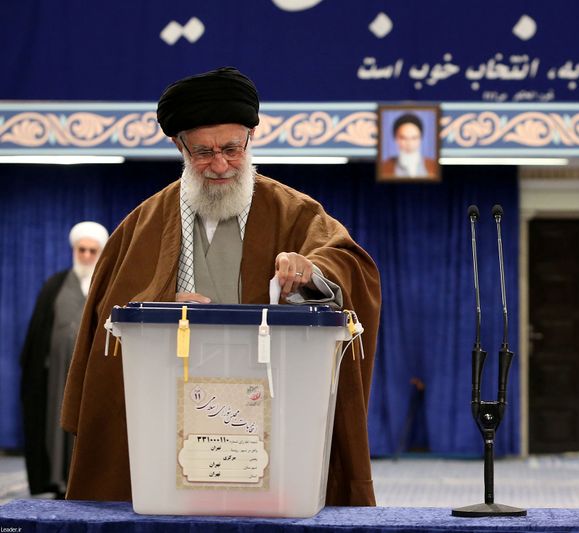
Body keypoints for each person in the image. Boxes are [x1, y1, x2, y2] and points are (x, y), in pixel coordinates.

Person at [61, 67, 382, 506]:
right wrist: (158, 307)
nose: (219, 164)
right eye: (203, 152)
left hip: (273, 410)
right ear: (179, 146)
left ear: (251, 136)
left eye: (232, 148)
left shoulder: (295, 211)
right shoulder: (143, 223)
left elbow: (350, 265)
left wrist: (310, 271)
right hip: (169, 410)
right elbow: (109, 323)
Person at [20, 221, 108, 497]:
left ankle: (86, 480)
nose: (86, 256)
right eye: (81, 250)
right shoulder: (54, 286)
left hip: (93, 377)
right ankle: (58, 480)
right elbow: (36, 338)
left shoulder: (107, 285)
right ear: (74, 250)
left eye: (92, 251)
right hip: (57, 377)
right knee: (55, 426)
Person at [380, 113, 438, 178]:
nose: (409, 143)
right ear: (396, 139)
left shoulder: (434, 166)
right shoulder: (383, 167)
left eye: (414, 138)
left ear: (420, 139)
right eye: (403, 138)